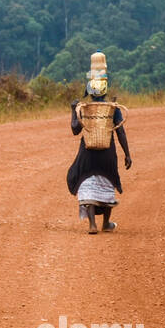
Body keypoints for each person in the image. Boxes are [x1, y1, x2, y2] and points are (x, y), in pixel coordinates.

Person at [66, 51, 132, 234]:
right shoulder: (112, 109)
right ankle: (106, 223)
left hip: (87, 153)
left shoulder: (83, 108)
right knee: (107, 181)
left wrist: (73, 110)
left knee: (87, 182)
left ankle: (92, 224)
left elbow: (75, 130)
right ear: (105, 89)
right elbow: (121, 131)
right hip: (107, 153)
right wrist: (127, 154)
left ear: (89, 91)